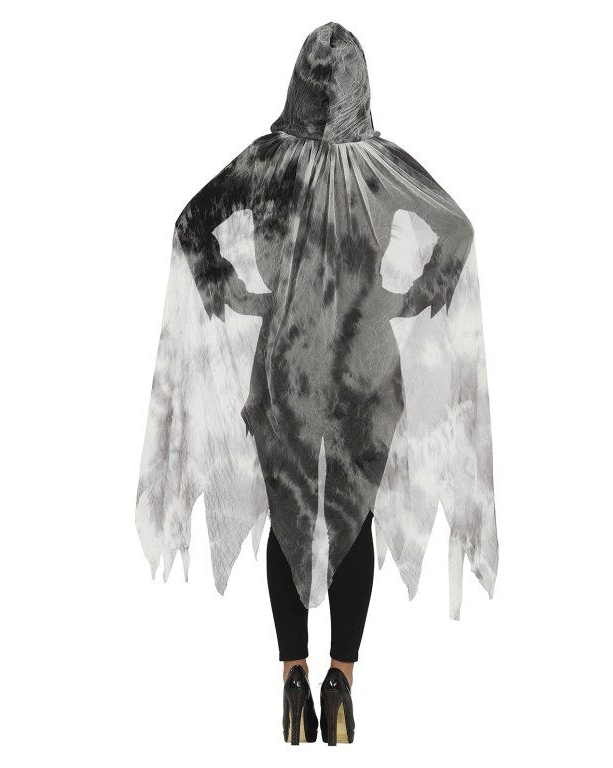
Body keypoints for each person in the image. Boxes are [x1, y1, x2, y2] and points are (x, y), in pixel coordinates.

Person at [136, 21, 498, 746]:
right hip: (367, 366)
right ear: (362, 85)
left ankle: (293, 676)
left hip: (287, 367)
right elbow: (456, 231)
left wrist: (236, 293)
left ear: (298, 83)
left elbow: (192, 223)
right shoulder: (385, 167)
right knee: (355, 517)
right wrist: (407, 299)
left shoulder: (267, 162)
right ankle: (341, 680)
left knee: (289, 512)